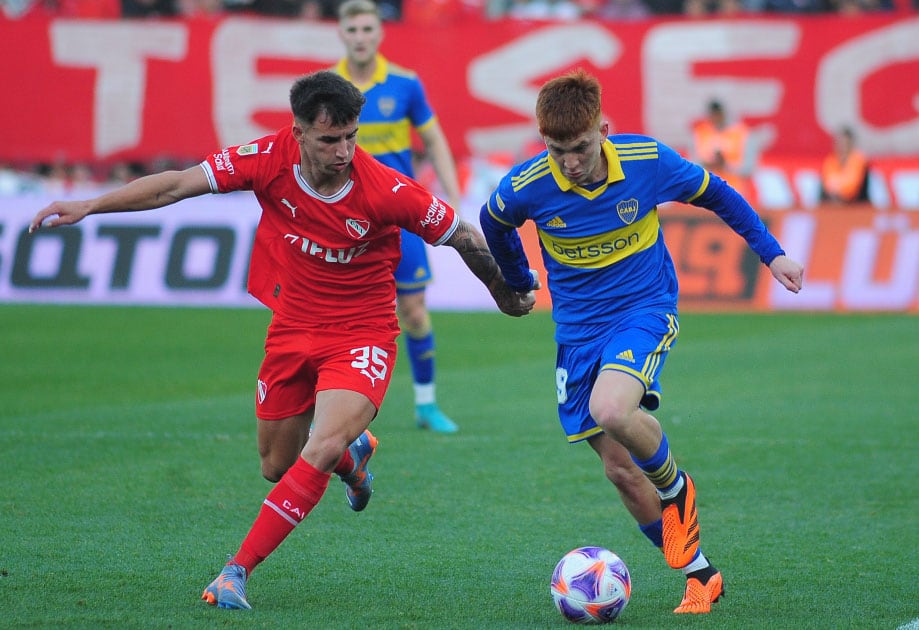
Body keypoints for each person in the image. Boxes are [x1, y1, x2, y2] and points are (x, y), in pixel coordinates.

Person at [29, 70, 536, 610]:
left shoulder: (386, 188)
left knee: (317, 449)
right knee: (276, 465)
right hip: (292, 326)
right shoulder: (265, 159)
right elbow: (176, 183)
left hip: (362, 332)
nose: (343, 151)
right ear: (298, 133)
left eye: (350, 136)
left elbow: (460, 233)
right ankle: (354, 458)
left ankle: (235, 572)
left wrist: (502, 289)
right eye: (328, 140)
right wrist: (89, 205)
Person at [479, 69, 804, 615]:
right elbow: (494, 223)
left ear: (604, 128)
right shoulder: (527, 184)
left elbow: (718, 194)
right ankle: (702, 575)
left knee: (611, 408)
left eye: (580, 147)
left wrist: (772, 253)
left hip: (643, 309)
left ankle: (678, 490)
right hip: (577, 331)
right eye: (558, 151)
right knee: (620, 471)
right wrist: (516, 278)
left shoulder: (648, 162)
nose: (571, 162)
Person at [334, 0, 464, 433]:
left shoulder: (405, 85)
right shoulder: (327, 87)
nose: (360, 37)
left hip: (398, 217)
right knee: (339, 315)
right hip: (343, 219)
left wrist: (453, 197)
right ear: (341, 34)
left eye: (367, 29)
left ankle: (426, 404)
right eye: (352, 30)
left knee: (413, 310)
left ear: (379, 33)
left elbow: (435, 140)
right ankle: (336, 407)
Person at [690, 99, 757, 201]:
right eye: (713, 114)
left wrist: (726, 165)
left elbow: (749, 168)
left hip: (734, 193)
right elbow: (694, 165)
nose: (716, 117)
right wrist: (708, 164)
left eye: (718, 114)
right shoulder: (701, 133)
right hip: (706, 193)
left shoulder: (741, 133)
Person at [819, 126, 870, 204]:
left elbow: (854, 188)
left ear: (851, 144)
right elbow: (827, 185)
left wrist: (840, 192)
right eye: (840, 143)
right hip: (832, 204)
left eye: (845, 143)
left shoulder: (859, 161)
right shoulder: (830, 161)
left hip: (855, 206)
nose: (842, 147)